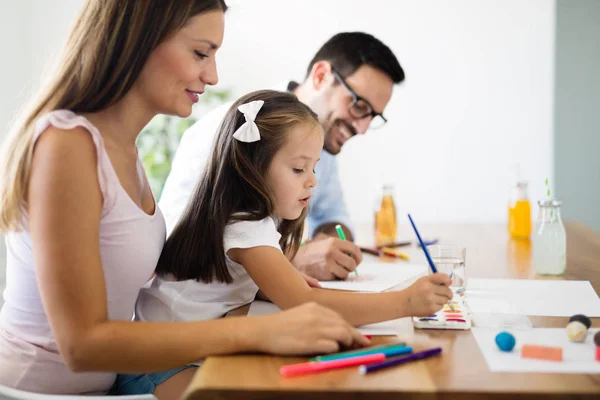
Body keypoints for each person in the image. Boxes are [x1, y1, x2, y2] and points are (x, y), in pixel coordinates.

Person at [0, 1, 367, 398]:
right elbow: (82, 346)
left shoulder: (123, 148)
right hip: (39, 392)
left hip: (106, 386)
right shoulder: (67, 145)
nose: (212, 75)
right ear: (139, 41)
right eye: (200, 53)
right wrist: (259, 331)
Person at [134, 90, 453, 386]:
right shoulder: (246, 228)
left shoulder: (238, 218)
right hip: (159, 367)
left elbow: (232, 289)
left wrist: (275, 287)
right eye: (299, 169)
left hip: (165, 354)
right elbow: (307, 304)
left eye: (314, 168)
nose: (312, 181)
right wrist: (404, 302)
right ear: (252, 168)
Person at [159, 31, 405, 281]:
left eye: (372, 117)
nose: (362, 129)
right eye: (359, 106)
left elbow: (335, 217)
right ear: (321, 76)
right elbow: (176, 239)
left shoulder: (321, 141)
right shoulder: (235, 130)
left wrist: (329, 245)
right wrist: (292, 257)